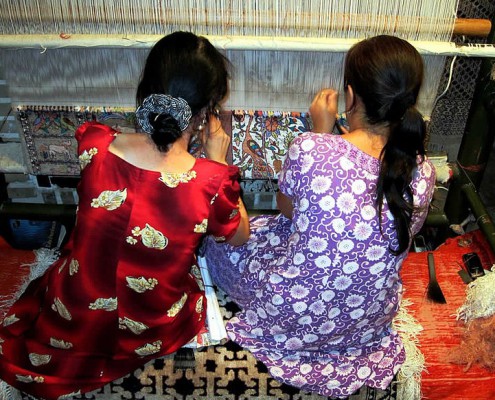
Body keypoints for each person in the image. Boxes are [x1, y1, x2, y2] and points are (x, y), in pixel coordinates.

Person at [0, 31, 249, 400]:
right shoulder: (209, 181)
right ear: (206, 110)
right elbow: (240, 234)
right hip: (149, 326)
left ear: (145, 90)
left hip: (72, 312)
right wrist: (218, 159)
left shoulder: (95, 144)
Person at [204, 34, 436, 398]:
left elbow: (289, 209)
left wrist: (322, 132)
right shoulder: (422, 170)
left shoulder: (313, 148)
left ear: (350, 95)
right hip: (366, 319)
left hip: (293, 314)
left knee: (221, 245)